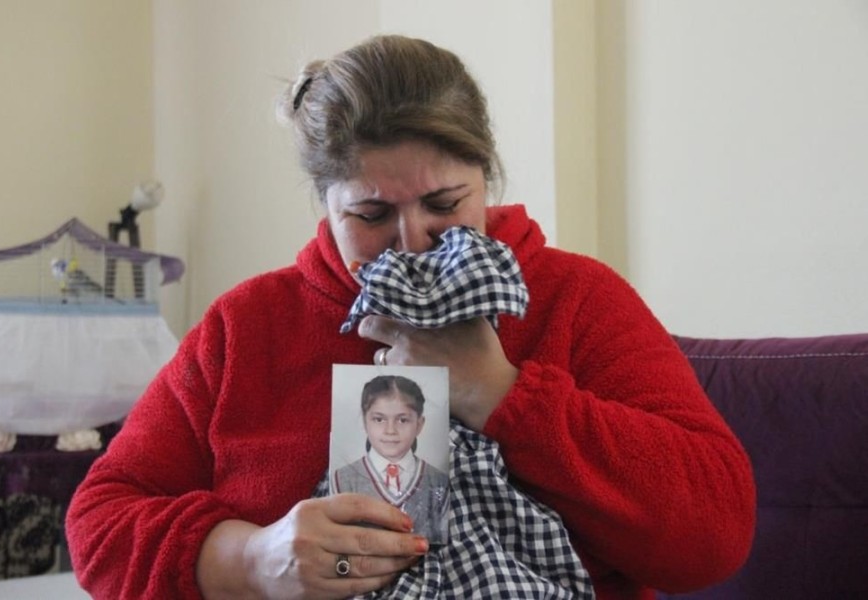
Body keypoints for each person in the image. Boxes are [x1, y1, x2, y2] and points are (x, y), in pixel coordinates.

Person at [66, 34, 756, 600]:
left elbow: (717, 534)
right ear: (325, 204)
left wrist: (503, 395)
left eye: (445, 205)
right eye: (371, 215)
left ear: (486, 179)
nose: (413, 242)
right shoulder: (246, 327)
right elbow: (100, 523)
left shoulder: (577, 299)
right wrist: (251, 559)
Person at [331, 374, 450, 544]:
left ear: (419, 424)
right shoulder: (342, 479)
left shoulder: (438, 481)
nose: (390, 430)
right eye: (379, 419)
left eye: (402, 420)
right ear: (365, 422)